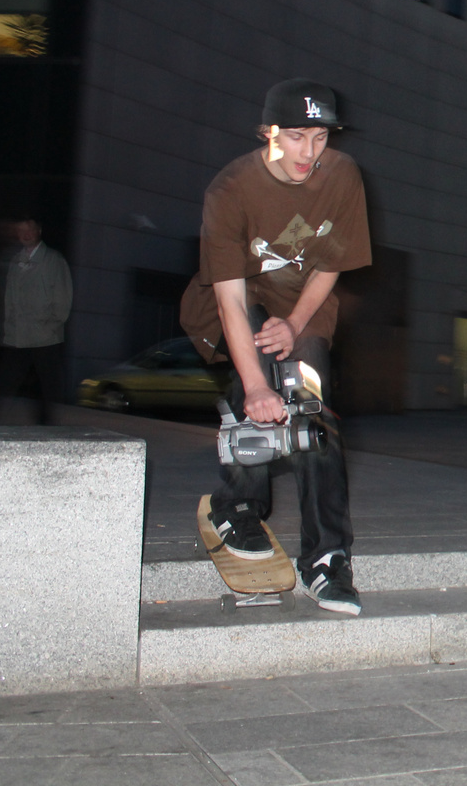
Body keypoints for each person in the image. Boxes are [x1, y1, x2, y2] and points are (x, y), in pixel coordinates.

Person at [180, 79, 372, 615]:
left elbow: (331, 262)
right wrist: (260, 386)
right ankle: (237, 505)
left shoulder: (342, 175)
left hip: (303, 304)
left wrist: (296, 324)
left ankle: (328, 558)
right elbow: (232, 303)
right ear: (268, 133)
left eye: (318, 138)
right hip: (239, 303)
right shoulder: (231, 190)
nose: (308, 154)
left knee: (312, 413)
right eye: (294, 137)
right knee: (258, 396)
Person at [0, 216, 71, 425]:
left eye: (29, 230)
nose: (25, 235)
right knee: (2, 384)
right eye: (21, 231)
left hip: (44, 338)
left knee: (44, 391)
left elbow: (63, 299)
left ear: (38, 231)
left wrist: (49, 327)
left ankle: (47, 431)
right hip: (16, 338)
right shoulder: (16, 260)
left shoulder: (53, 260)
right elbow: (9, 298)